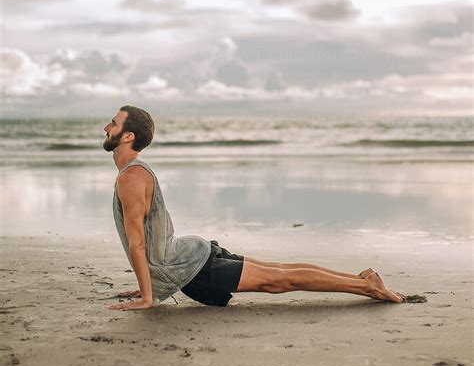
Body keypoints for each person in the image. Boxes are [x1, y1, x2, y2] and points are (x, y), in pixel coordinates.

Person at [103, 105, 403, 311]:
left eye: (113, 123)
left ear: (128, 136)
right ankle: (363, 281)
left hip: (192, 267)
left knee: (280, 279)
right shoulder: (133, 173)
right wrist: (150, 287)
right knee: (280, 271)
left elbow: (138, 243)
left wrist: (146, 296)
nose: (107, 126)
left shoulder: (131, 176)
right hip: (190, 256)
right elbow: (146, 241)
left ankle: (367, 288)